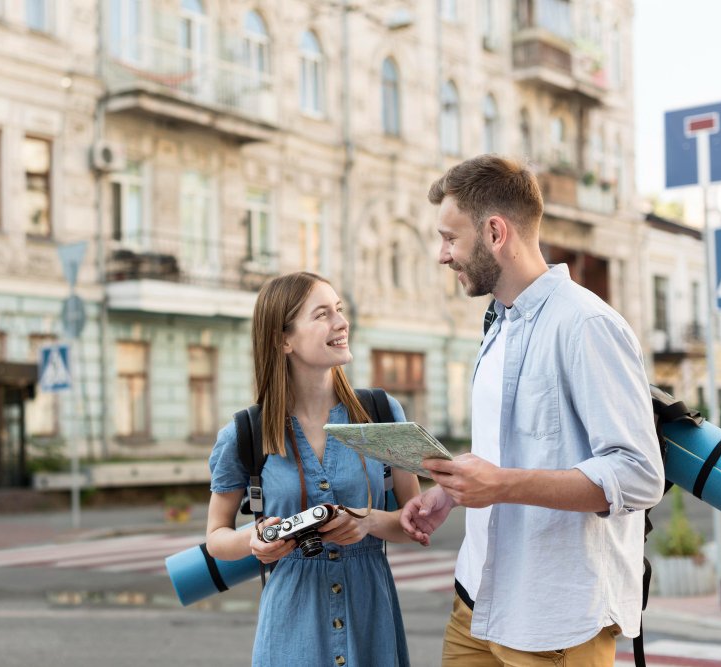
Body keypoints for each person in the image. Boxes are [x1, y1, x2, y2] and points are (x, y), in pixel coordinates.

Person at [400, 155, 665, 666]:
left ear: (495, 232)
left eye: (450, 239)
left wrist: (501, 485)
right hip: (476, 599)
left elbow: (638, 477)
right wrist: (452, 494)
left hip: (554, 622)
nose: (442, 255)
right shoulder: (497, 325)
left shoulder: (586, 324)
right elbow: (515, 448)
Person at [206, 271, 422, 667]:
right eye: (322, 314)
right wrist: (255, 540)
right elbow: (216, 538)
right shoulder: (244, 432)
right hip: (291, 626)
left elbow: (417, 521)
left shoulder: (380, 413)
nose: (341, 322)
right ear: (282, 339)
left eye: (339, 310)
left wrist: (368, 521)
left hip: (369, 619)